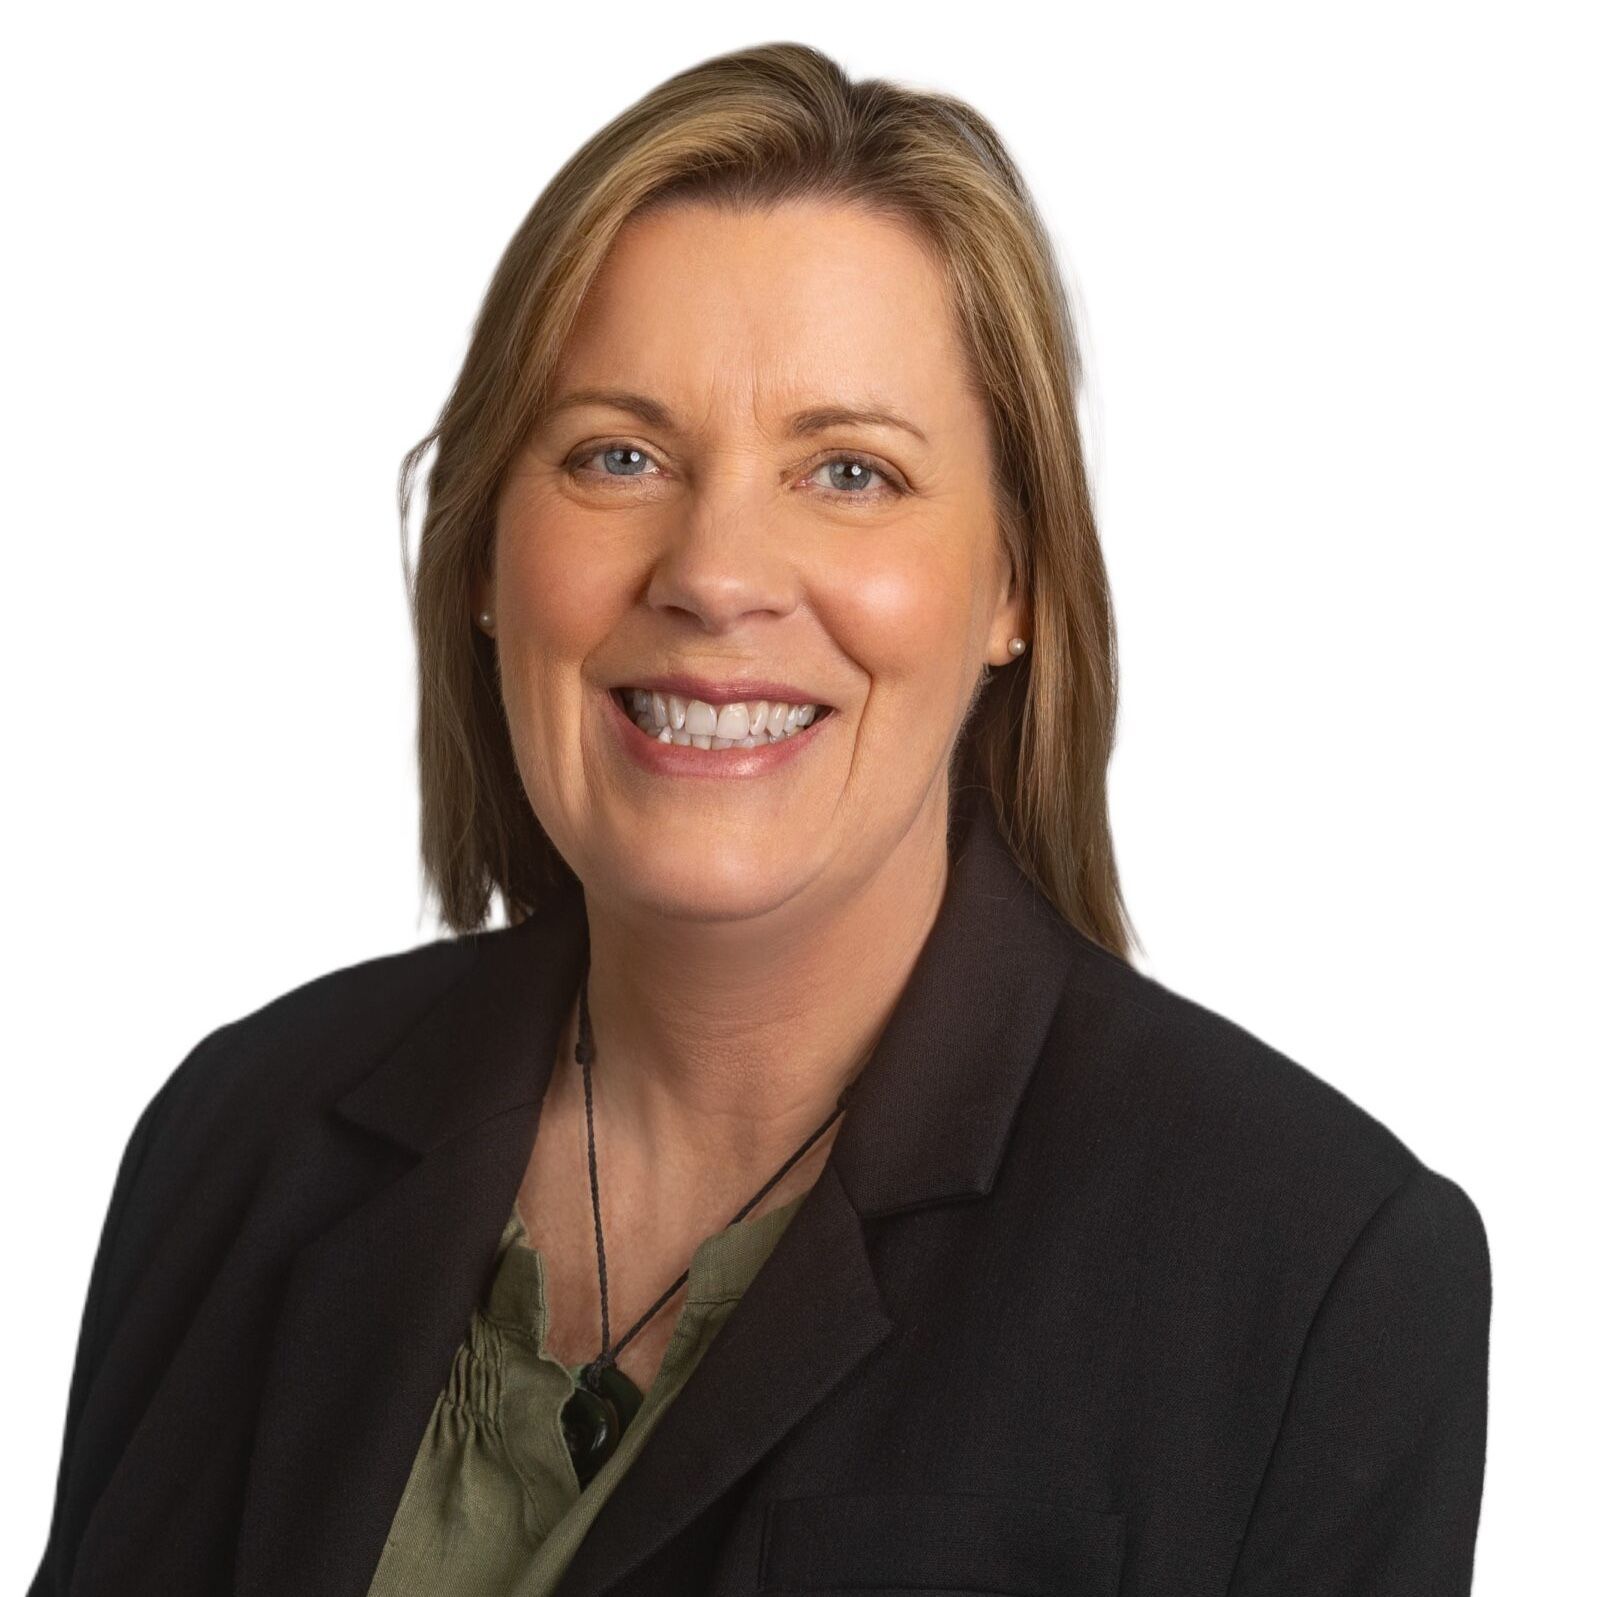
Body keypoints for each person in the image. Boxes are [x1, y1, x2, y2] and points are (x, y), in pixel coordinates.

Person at [29, 41, 1491, 1597]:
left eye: (850, 471)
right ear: (481, 554)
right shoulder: (242, 1134)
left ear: (1015, 587)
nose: (716, 568)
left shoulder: (1308, 1274)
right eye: (619, 454)